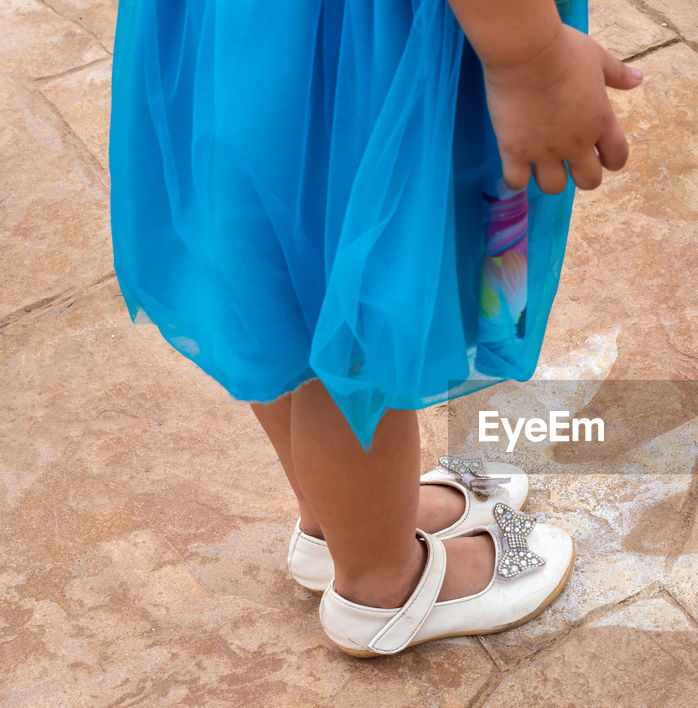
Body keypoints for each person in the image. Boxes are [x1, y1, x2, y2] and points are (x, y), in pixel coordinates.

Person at [108, 0, 640, 657]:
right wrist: (531, 58)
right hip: (361, 41)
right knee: (363, 307)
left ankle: (340, 522)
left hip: (246, 32)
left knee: (278, 285)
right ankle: (381, 580)